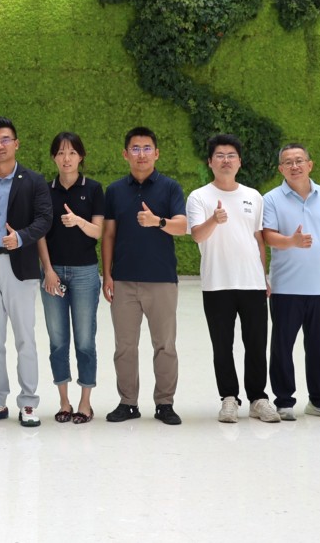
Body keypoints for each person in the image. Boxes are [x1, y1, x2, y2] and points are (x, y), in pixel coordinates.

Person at [185, 134, 279, 424]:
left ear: (239, 162)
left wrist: (263, 275)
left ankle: (258, 399)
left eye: (231, 155)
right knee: (222, 345)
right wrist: (214, 219)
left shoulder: (254, 196)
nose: (225, 160)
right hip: (217, 283)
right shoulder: (199, 196)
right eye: (220, 155)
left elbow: (258, 239)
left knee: (256, 344)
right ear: (210, 162)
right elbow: (197, 235)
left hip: (252, 282)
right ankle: (228, 398)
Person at [101, 126, 188, 426]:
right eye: (135, 149)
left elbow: (182, 226)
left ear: (157, 153)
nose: (141, 154)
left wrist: (157, 221)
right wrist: (107, 275)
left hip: (161, 280)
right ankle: (128, 403)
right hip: (123, 281)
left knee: (165, 345)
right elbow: (108, 235)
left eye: (147, 148)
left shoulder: (170, 187)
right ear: (125, 154)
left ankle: (165, 403)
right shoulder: (114, 191)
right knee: (124, 347)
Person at [0, 116, 52, 427]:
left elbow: (44, 220)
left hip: (21, 267)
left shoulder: (34, 181)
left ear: (16, 143)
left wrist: (20, 237)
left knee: (25, 338)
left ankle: (28, 402)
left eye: (5, 139)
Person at [262, 143, 320, 421]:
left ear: (310, 165)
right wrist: (292, 242)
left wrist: (319, 248)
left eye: (299, 160)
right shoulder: (271, 199)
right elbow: (267, 235)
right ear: (281, 169)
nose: (294, 166)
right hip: (286, 287)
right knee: (282, 347)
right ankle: (284, 401)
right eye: (288, 162)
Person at [36, 132, 104, 424]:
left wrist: (78, 221)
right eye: (61, 153)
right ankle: (64, 401)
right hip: (53, 272)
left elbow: (98, 232)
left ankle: (85, 402)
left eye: (72, 153)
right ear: (54, 157)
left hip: (85, 273)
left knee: (85, 340)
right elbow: (39, 234)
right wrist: (48, 270)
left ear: (81, 157)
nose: (67, 158)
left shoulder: (94, 189)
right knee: (58, 340)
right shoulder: (44, 191)